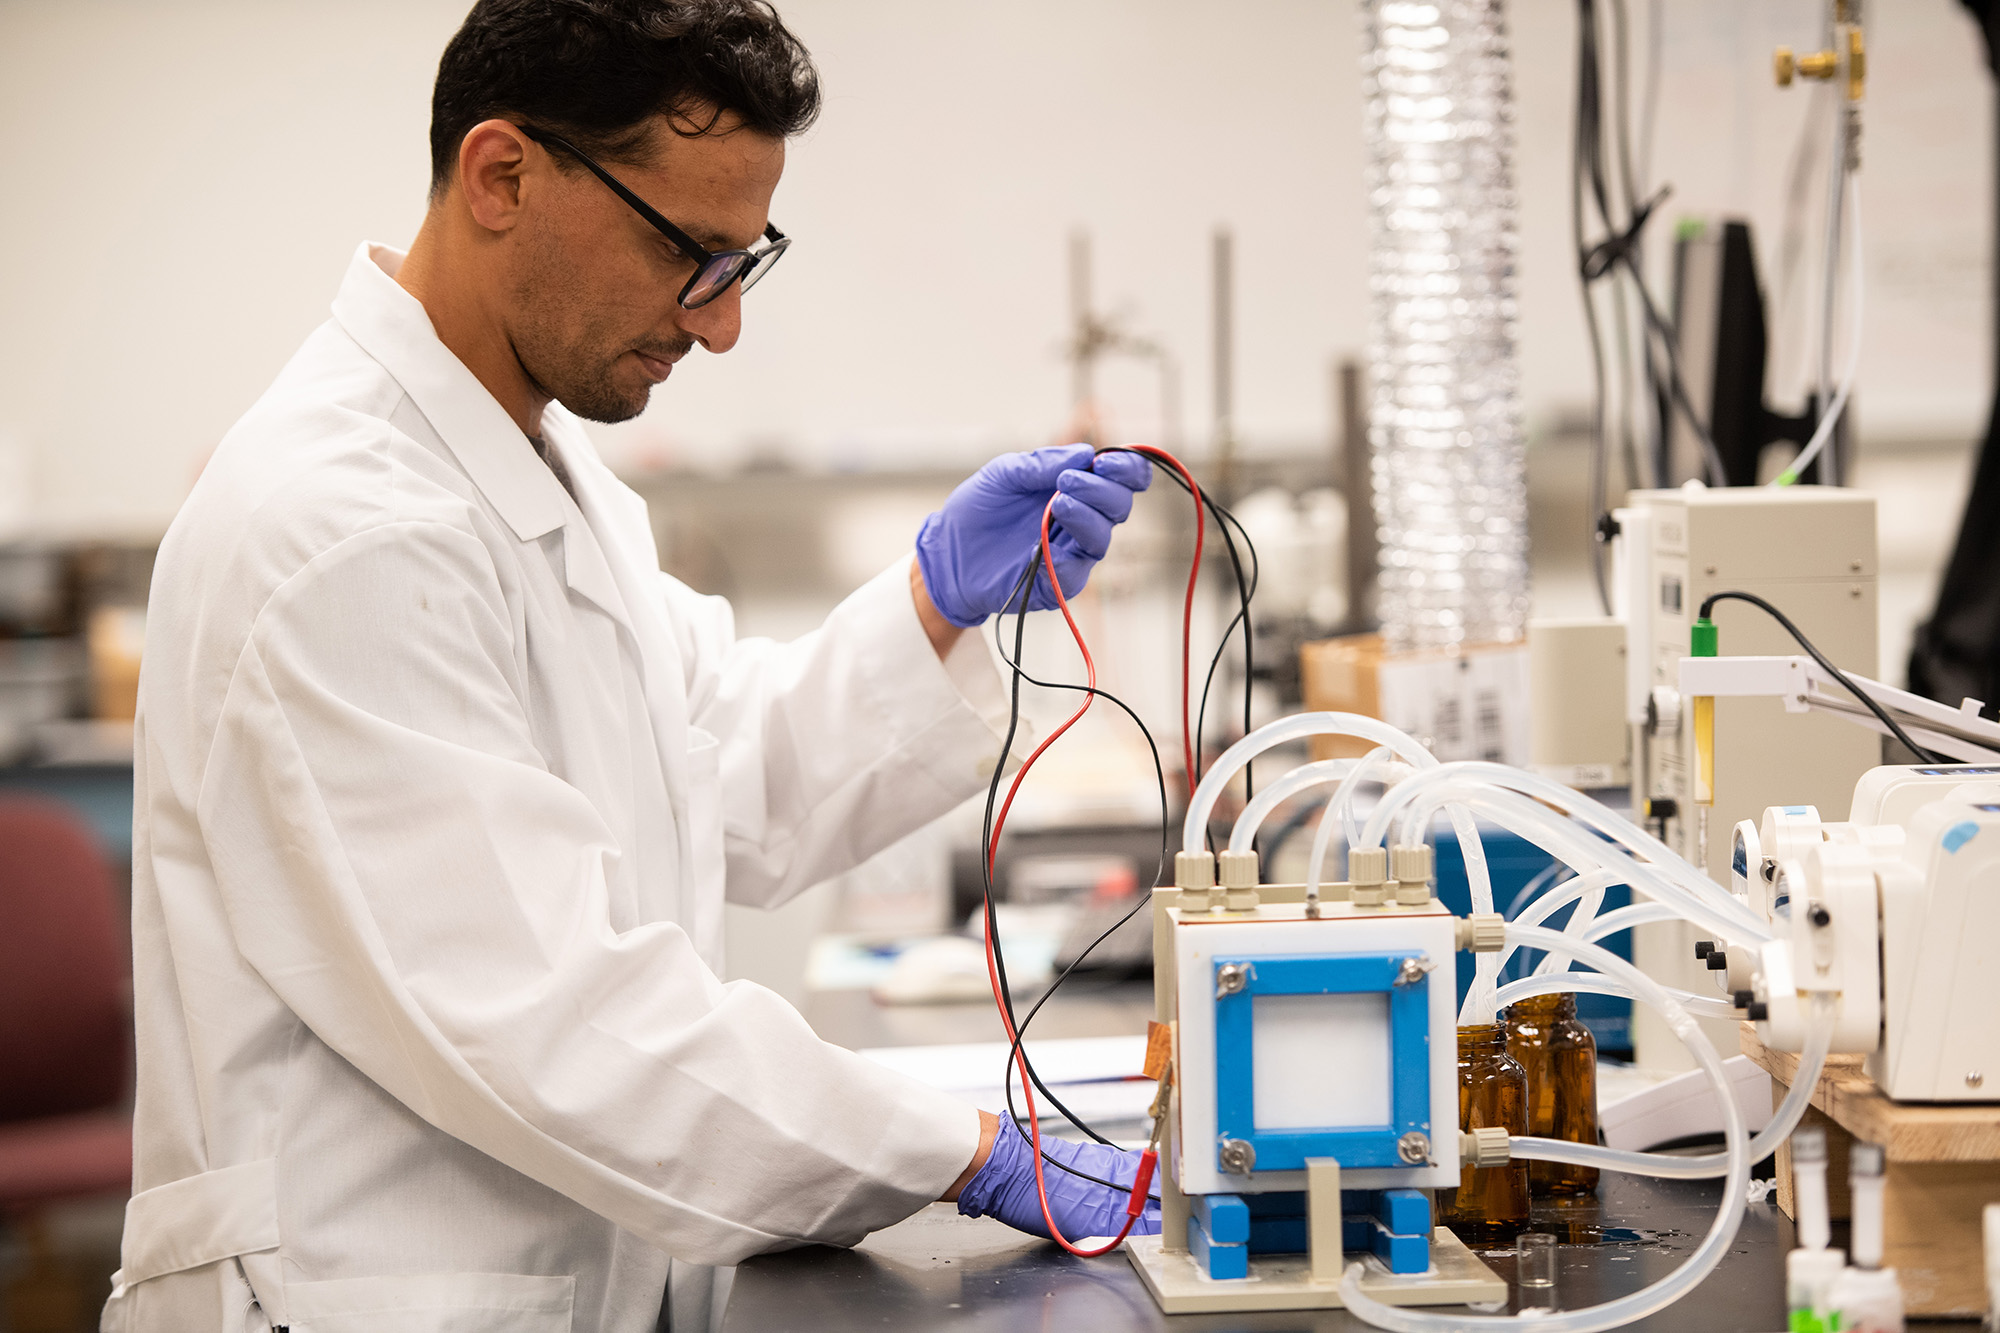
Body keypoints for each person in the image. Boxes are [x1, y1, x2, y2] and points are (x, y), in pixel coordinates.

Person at [102, 3, 1159, 1330]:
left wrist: (932, 605)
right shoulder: (344, 528)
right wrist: (958, 1149)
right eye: (689, 256)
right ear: (504, 175)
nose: (717, 329)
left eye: (742, 264)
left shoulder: (533, 477)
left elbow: (716, 774)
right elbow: (563, 1023)